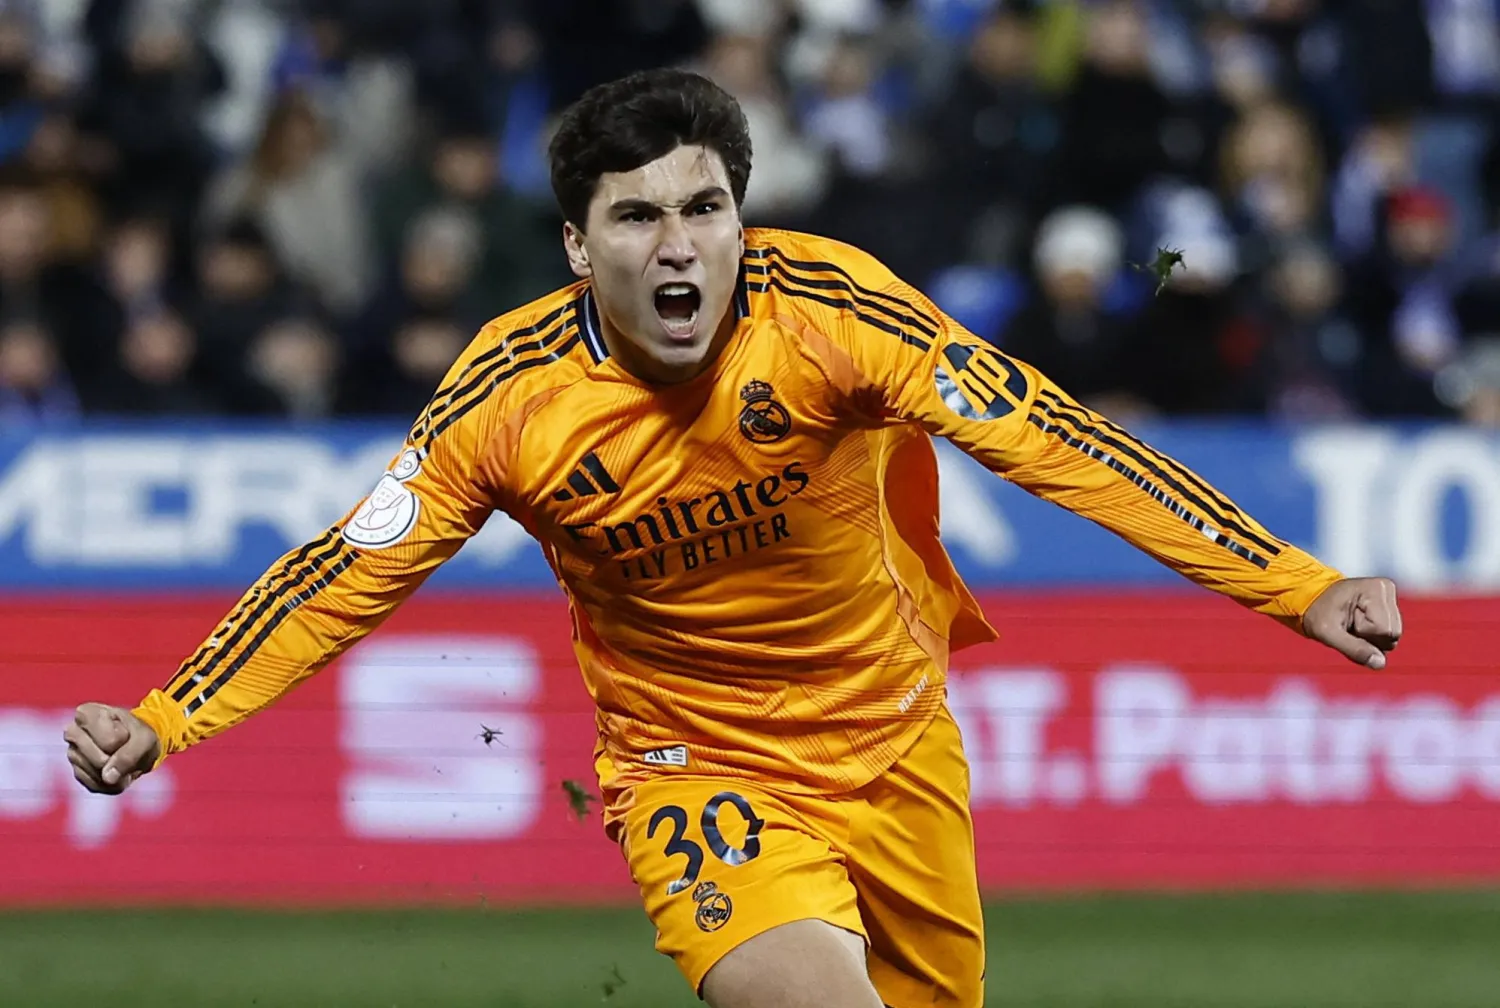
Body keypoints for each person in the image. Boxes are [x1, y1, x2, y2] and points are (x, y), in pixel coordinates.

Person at [63, 69, 1403, 1008]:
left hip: (897, 744)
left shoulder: (835, 310)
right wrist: (168, 716)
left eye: (704, 209)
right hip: (694, 768)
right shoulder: (509, 397)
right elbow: (343, 572)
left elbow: (1063, 445)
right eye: (637, 217)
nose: (679, 245)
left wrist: (1298, 584)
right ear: (580, 248)